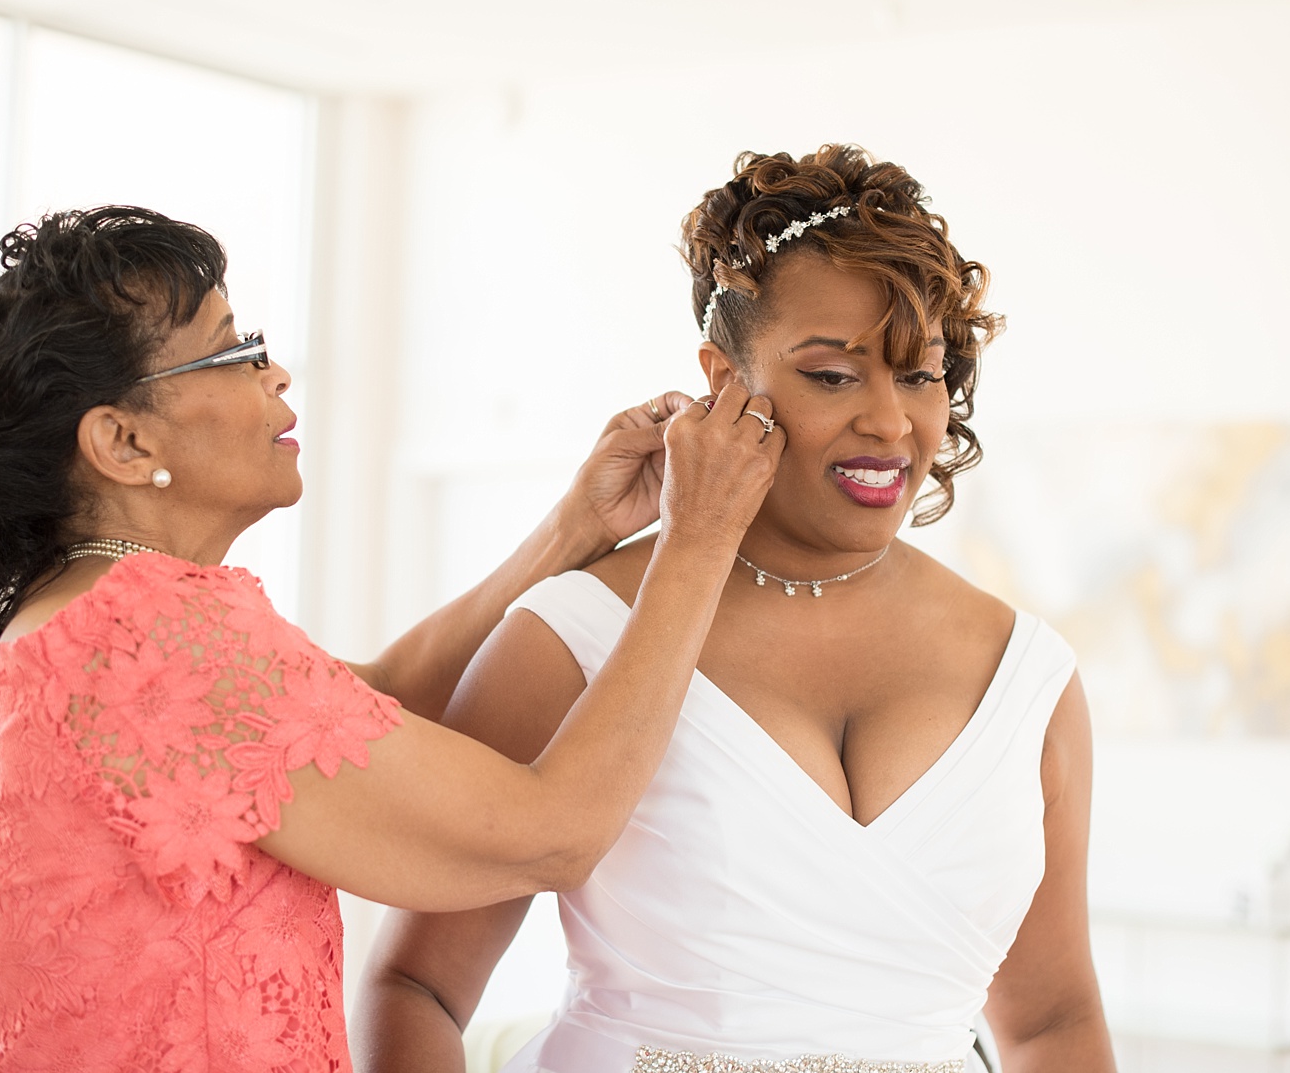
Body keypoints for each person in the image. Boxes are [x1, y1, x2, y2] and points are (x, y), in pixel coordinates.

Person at [0, 206, 785, 1072]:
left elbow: (383, 693)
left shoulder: (84, 616)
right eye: (235, 351)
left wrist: (576, 526)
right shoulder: (154, 634)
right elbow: (550, 835)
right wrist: (697, 536)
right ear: (121, 440)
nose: (276, 376)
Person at [357, 145, 1118, 1073]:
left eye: (920, 375)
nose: (890, 421)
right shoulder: (573, 637)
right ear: (724, 378)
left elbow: (1052, 1022)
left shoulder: (1028, 676)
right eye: (834, 375)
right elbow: (417, 988)